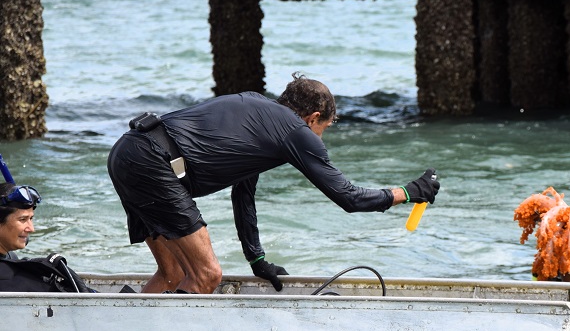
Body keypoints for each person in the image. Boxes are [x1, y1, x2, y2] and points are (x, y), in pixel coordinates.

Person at [107, 74, 440, 294]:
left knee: (173, 273)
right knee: (207, 275)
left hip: (128, 150)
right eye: (323, 128)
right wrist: (409, 192)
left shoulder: (257, 111)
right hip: (154, 163)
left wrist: (257, 260)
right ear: (313, 118)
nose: (320, 137)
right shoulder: (296, 132)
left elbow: (243, 194)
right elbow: (348, 197)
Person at [0, 182, 93, 292]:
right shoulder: (8, 275)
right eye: (23, 220)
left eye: (31, 219)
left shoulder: (10, 258)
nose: (31, 229)